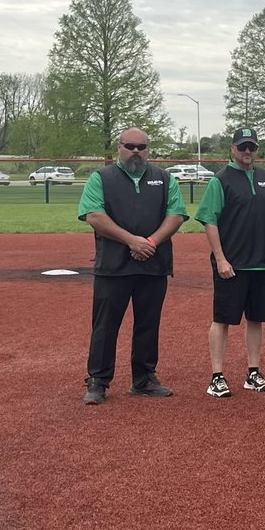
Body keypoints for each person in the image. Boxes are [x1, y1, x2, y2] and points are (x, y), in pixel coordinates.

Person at [79, 128, 187, 405]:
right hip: (113, 266)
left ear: (148, 149)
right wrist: (131, 241)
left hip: (154, 264)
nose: (136, 152)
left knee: (148, 324)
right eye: (130, 146)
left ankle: (144, 379)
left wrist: (150, 242)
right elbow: (94, 215)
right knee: (105, 325)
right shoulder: (101, 178)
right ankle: (98, 380)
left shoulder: (164, 179)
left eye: (142, 147)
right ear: (119, 147)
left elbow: (176, 215)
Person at [197, 127, 265, 398]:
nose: (248, 151)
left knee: (256, 319)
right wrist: (220, 259)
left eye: (252, 147)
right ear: (232, 149)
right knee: (222, 319)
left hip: (260, 264)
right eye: (243, 147)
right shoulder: (220, 180)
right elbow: (209, 221)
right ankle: (216, 376)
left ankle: (253, 372)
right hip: (231, 264)